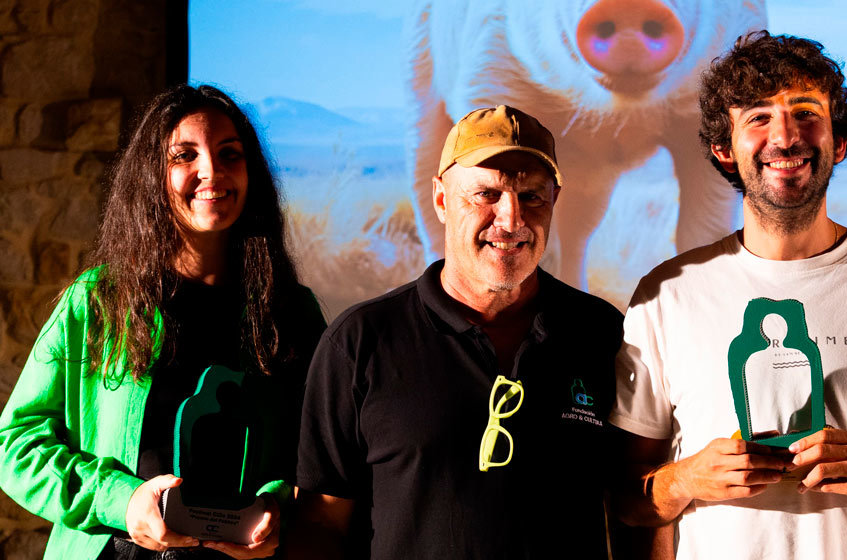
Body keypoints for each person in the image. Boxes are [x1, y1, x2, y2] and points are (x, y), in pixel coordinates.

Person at [609, 31, 847, 559]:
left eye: (806, 112)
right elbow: (626, 496)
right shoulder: (668, 293)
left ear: (839, 142)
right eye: (758, 117)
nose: (785, 138)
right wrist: (687, 479)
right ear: (724, 149)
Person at [0, 85, 326, 560]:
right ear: (152, 177)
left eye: (229, 154)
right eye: (184, 155)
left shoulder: (292, 313)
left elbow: (318, 459)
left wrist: (278, 506)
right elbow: (16, 445)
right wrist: (122, 499)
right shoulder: (97, 302)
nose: (211, 172)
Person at [290, 105, 624, 559]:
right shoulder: (359, 343)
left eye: (531, 196)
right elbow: (320, 524)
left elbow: (629, 503)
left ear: (555, 200)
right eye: (486, 194)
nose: (511, 220)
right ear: (441, 199)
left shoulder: (601, 332)